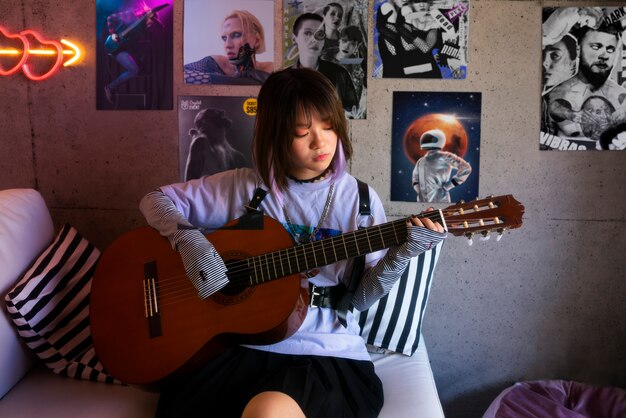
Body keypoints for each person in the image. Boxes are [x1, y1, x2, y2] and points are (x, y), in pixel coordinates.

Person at [139, 67, 446, 417]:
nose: (321, 142)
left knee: (270, 410)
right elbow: (154, 199)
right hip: (242, 346)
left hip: (325, 356)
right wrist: (190, 242)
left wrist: (404, 254)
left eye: (329, 125)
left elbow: (359, 299)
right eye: (303, 131)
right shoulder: (242, 187)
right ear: (275, 134)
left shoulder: (360, 201)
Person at [546, 22, 626, 145]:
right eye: (596, 47)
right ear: (578, 50)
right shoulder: (551, 98)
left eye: (610, 49)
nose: (604, 55)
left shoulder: (623, 97)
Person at [289, 13, 358, 117]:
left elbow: (353, 113)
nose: (314, 39)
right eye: (307, 33)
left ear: (324, 40)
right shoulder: (283, 79)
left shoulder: (340, 75)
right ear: (294, 38)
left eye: (320, 34)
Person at [184, 10, 273, 85]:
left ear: (256, 40)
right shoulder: (214, 63)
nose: (227, 45)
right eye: (224, 38)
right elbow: (180, 76)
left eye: (236, 35)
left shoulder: (271, 68)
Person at [103, 0, 163, 104]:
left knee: (147, 45)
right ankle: (110, 87)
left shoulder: (143, 29)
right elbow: (110, 18)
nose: (151, 23)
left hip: (125, 48)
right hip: (114, 47)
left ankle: (140, 70)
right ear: (147, 16)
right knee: (134, 70)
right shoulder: (131, 15)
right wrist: (112, 34)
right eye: (151, 20)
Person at [184, 107, 248, 181]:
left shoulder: (238, 158)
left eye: (222, 126)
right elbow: (190, 182)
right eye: (217, 125)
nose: (222, 130)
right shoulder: (200, 143)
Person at [412, 129, 472, 203]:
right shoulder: (421, 161)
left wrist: (448, 186)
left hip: (440, 200)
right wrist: (419, 190)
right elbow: (415, 178)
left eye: (429, 139)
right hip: (422, 201)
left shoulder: (446, 157)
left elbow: (466, 168)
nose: (425, 141)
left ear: (438, 140)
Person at [323, 25, 367, 119]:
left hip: (346, 112)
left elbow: (363, 90)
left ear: (358, 45)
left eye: (352, 43)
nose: (346, 46)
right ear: (339, 40)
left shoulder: (359, 64)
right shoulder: (324, 57)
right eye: (344, 41)